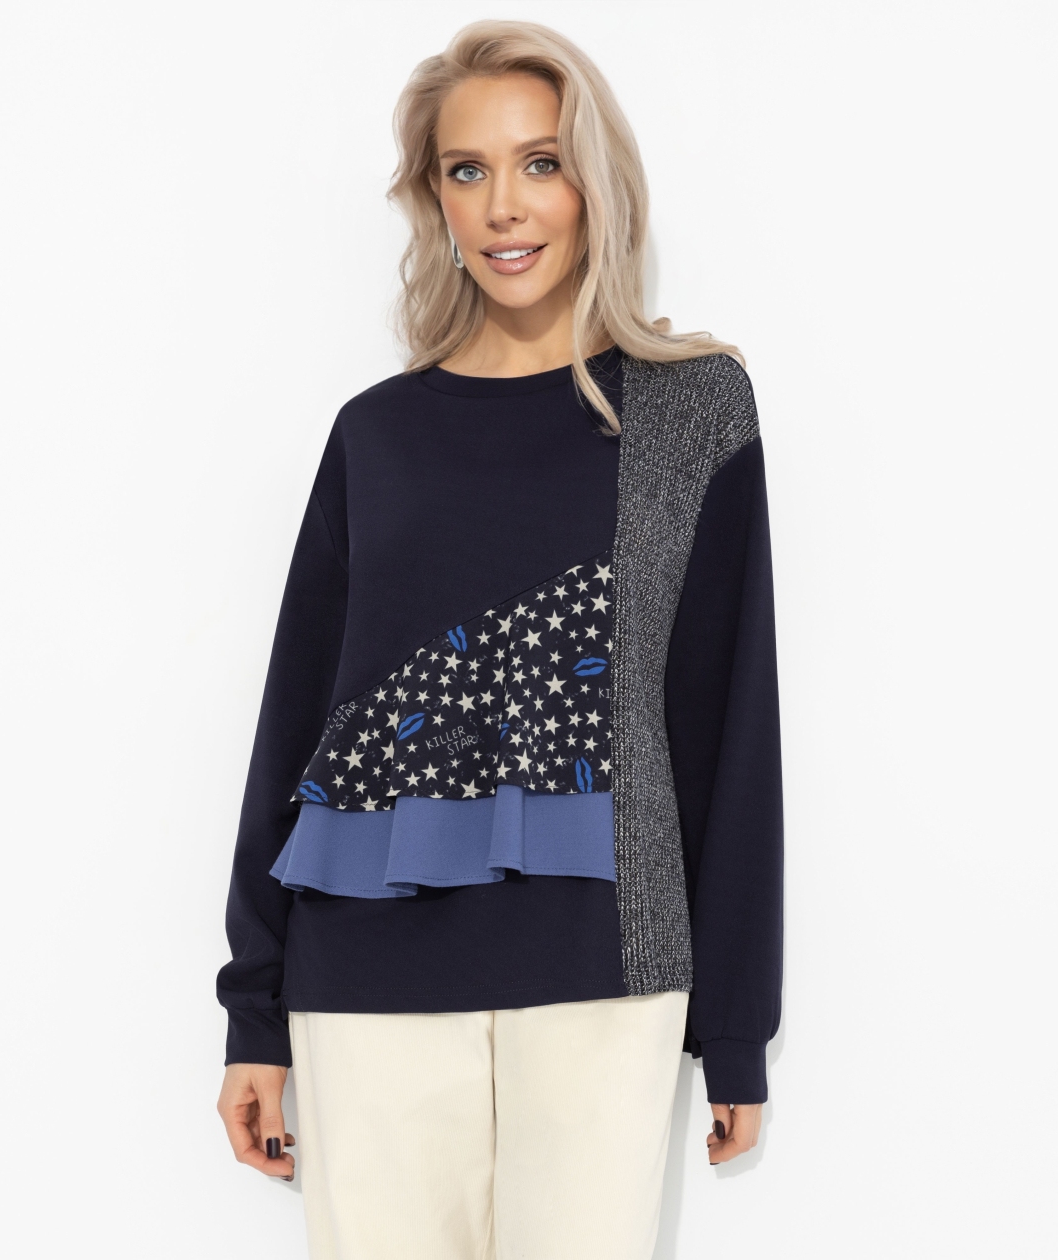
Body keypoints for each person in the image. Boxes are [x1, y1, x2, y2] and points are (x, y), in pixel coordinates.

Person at [215, 19, 783, 1260]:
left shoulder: (690, 410)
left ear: (595, 184)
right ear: (435, 199)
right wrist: (253, 1012)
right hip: (363, 975)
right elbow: (299, 718)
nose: (504, 205)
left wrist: (736, 1025)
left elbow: (726, 726)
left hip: (605, 962)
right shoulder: (376, 435)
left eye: (541, 162)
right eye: (466, 170)